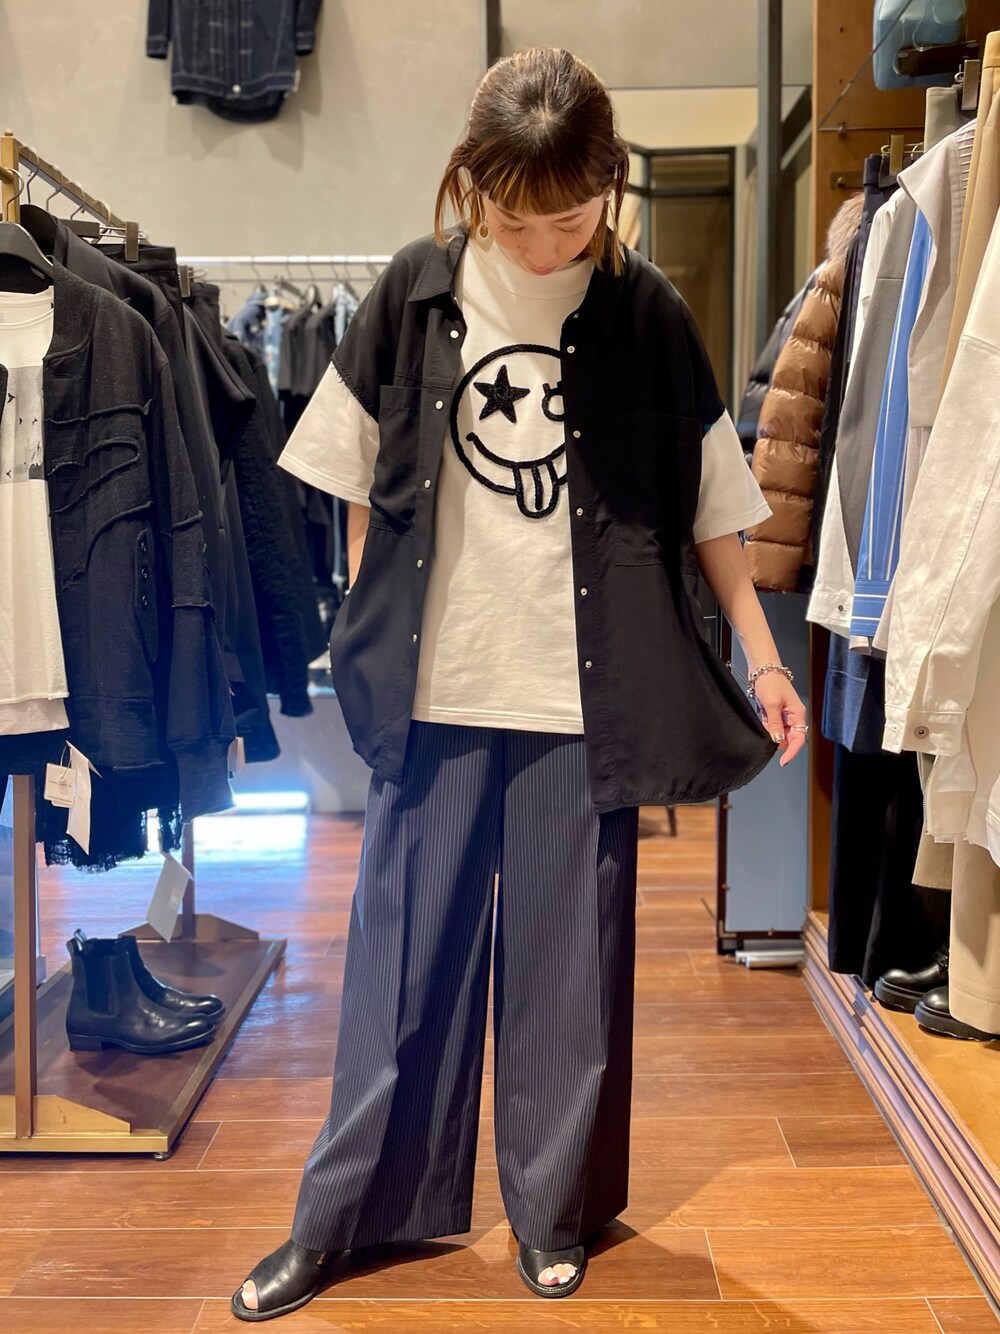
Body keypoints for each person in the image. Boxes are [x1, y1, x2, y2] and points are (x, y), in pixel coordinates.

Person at [232, 46, 807, 1323]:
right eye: (514, 218)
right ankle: (348, 1215)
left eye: (571, 218)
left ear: (609, 186)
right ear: (472, 184)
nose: (543, 245)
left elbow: (714, 507)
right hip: (435, 688)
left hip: (580, 701)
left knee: (569, 974)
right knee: (396, 960)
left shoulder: (648, 313)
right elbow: (355, 485)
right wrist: (368, 637)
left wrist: (761, 655)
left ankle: (554, 1211)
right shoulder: (412, 292)